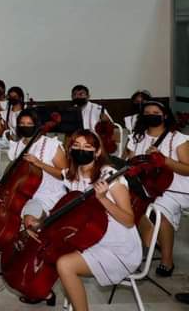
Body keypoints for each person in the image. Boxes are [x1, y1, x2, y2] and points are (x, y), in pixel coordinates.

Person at [53, 130, 141, 311]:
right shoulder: (72, 174)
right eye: (76, 146)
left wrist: (103, 199)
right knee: (53, 252)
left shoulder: (110, 177)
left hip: (118, 247)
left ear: (98, 151)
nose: (80, 150)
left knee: (64, 264)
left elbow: (129, 221)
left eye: (87, 147)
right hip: (90, 237)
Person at [0, 109, 67, 262]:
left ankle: (26, 256)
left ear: (37, 125)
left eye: (29, 124)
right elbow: (14, 173)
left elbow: (64, 174)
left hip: (45, 195)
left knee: (29, 218)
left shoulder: (51, 145)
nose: (25, 126)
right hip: (19, 192)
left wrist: (39, 163)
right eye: (22, 123)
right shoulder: (16, 146)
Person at [125, 101, 189, 277]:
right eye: (147, 112)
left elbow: (187, 168)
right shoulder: (136, 137)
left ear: (165, 115)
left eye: (155, 112)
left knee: (161, 209)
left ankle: (167, 259)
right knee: (123, 205)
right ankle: (134, 250)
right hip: (144, 186)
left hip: (174, 187)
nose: (151, 115)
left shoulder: (178, 139)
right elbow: (129, 163)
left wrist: (165, 161)